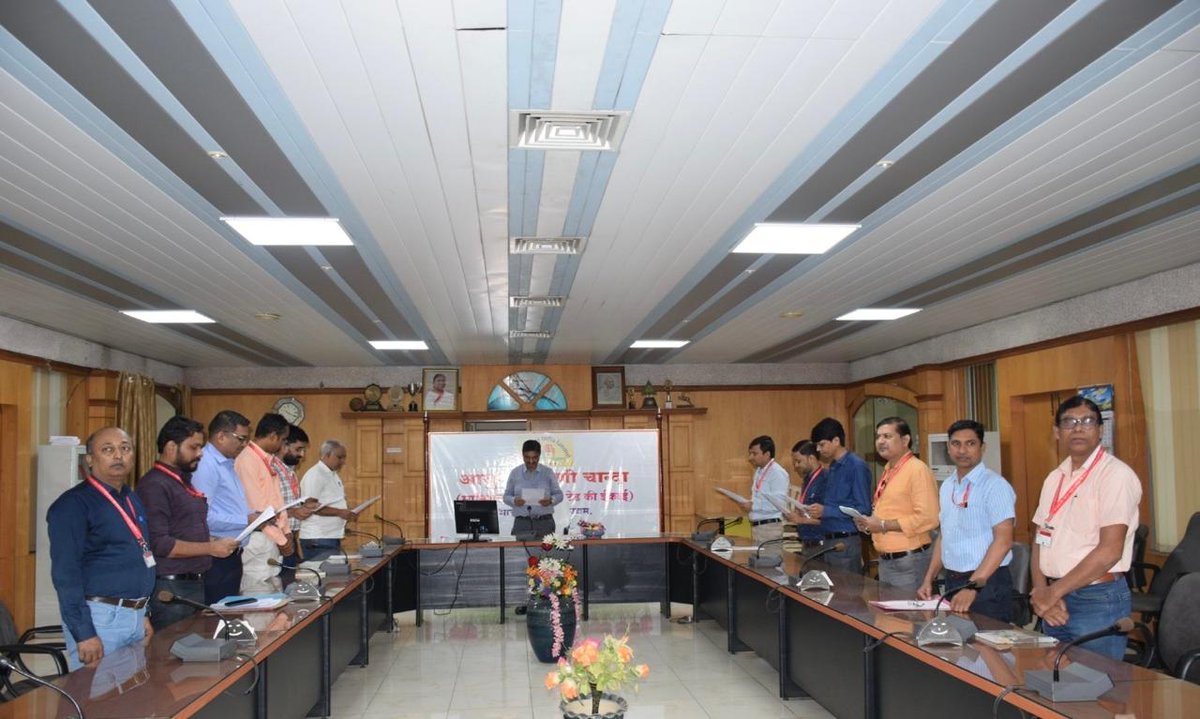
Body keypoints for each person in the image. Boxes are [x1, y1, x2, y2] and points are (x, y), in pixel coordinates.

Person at [1029, 396, 1140, 660]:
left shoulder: (1115, 475)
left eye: (1087, 421)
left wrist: (1052, 593)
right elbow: (1039, 541)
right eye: (1069, 422)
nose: (1078, 428)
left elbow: (1110, 551)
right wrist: (1041, 591)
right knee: (1054, 687)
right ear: (1057, 432)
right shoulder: (1054, 478)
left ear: (1101, 430)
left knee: (1098, 690)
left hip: (1096, 599)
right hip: (1055, 599)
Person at [47, 427, 156, 669]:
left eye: (125, 449)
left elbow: (138, 555)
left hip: (134, 614)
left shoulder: (131, 498)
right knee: (97, 701)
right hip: (100, 617)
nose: (118, 456)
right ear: (90, 460)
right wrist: (84, 632)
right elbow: (66, 575)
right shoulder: (73, 505)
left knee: (128, 701)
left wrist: (143, 612)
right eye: (108, 450)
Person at [136, 416, 240, 630]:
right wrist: (211, 547)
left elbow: (184, 529)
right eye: (194, 447)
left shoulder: (181, 481)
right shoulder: (155, 484)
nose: (200, 454)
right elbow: (160, 544)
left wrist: (214, 541)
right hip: (171, 586)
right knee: (173, 657)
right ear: (171, 447)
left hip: (194, 583)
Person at [917, 420, 1016, 622]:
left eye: (970, 443)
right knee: (960, 650)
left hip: (987, 583)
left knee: (990, 649)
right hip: (954, 581)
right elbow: (945, 536)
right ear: (948, 447)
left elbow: (1004, 541)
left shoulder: (995, 486)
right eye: (956, 444)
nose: (962, 450)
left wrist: (974, 586)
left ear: (982, 447)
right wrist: (929, 578)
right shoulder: (947, 486)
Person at [853, 417, 940, 590]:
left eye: (887, 436)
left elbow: (929, 518)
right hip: (887, 559)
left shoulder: (917, 470)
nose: (881, 441)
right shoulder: (889, 469)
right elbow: (890, 510)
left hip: (909, 561)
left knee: (908, 616)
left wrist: (884, 525)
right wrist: (869, 524)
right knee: (891, 617)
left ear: (905, 440)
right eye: (878, 437)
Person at [794, 418, 872, 573]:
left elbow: (863, 509)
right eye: (816, 445)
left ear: (836, 440)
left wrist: (826, 511)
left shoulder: (856, 466)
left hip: (845, 541)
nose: (818, 449)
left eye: (822, 444)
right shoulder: (833, 467)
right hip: (827, 540)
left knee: (847, 594)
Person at [191, 410, 254, 603]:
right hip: (216, 556)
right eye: (241, 439)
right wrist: (246, 520)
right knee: (217, 621)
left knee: (230, 617)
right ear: (220, 436)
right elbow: (203, 516)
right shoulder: (206, 465)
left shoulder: (226, 463)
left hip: (231, 553)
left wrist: (253, 516)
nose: (244, 445)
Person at [235, 413, 293, 591]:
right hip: (259, 538)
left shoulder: (267, 460)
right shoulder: (247, 461)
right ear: (273, 436)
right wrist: (282, 540)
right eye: (282, 440)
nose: (283, 445)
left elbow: (276, 500)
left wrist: (286, 530)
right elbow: (257, 510)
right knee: (259, 594)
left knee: (274, 590)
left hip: (272, 537)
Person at [299, 440, 358, 561]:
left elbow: (332, 501)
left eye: (344, 458)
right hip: (318, 538)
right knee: (324, 577)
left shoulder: (332, 474)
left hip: (329, 536)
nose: (343, 461)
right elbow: (310, 506)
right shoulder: (316, 474)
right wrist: (340, 513)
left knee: (333, 576)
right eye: (339, 457)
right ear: (326, 455)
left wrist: (346, 511)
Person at [735, 436, 789, 557]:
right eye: (750, 454)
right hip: (758, 527)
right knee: (758, 566)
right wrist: (749, 503)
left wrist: (753, 506)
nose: (750, 458)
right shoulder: (759, 471)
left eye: (754, 453)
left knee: (770, 569)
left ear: (767, 454)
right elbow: (761, 499)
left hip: (770, 528)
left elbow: (779, 504)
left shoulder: (777, 473)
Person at [502, 439, 564, 540]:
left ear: (539, 456)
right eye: (527, 458)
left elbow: (559, 495)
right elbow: (506, 496)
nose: (531, 461)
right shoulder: (515, 473)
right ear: (522, 456)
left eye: (534, 458)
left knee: (545, 555)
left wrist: (550, 501)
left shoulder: (548, 472)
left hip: (545, 523)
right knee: (521, 555)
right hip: (522, 523)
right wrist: (514, 501)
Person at [274, 425, 316, 567]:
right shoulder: (271, 470)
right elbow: (264, 510)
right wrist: (294, 512)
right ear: (283, 445)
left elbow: (286, 504)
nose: (302, 454)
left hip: (290, 538)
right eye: (298, 449)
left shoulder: (290, 471)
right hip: (275, 541)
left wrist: (303, 507)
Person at [786, 441, 827, 548]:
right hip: (807, 542)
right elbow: (809, 512)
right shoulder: (807, 480)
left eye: (798, 461)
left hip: (821, 544)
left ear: (811, 459)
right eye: (794, 462)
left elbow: (830, 519)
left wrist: (800, 520)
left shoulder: (826, 480)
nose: (795, 466)